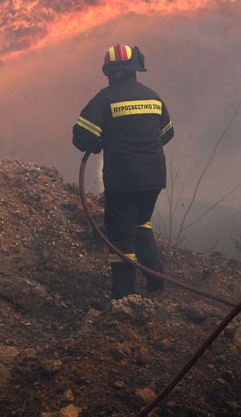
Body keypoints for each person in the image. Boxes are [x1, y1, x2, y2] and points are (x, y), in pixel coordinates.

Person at [72, 43, 174, 299]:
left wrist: (100, 142)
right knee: (142, 223)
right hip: (153, 178)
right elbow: (167, 132)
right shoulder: (153, 97)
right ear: (135, 68)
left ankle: (123, 298)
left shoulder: (104, 99)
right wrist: (143, 148)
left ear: (107, 71)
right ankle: (156, 286)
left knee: (121, 237)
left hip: (123, 181)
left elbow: (82, 137)